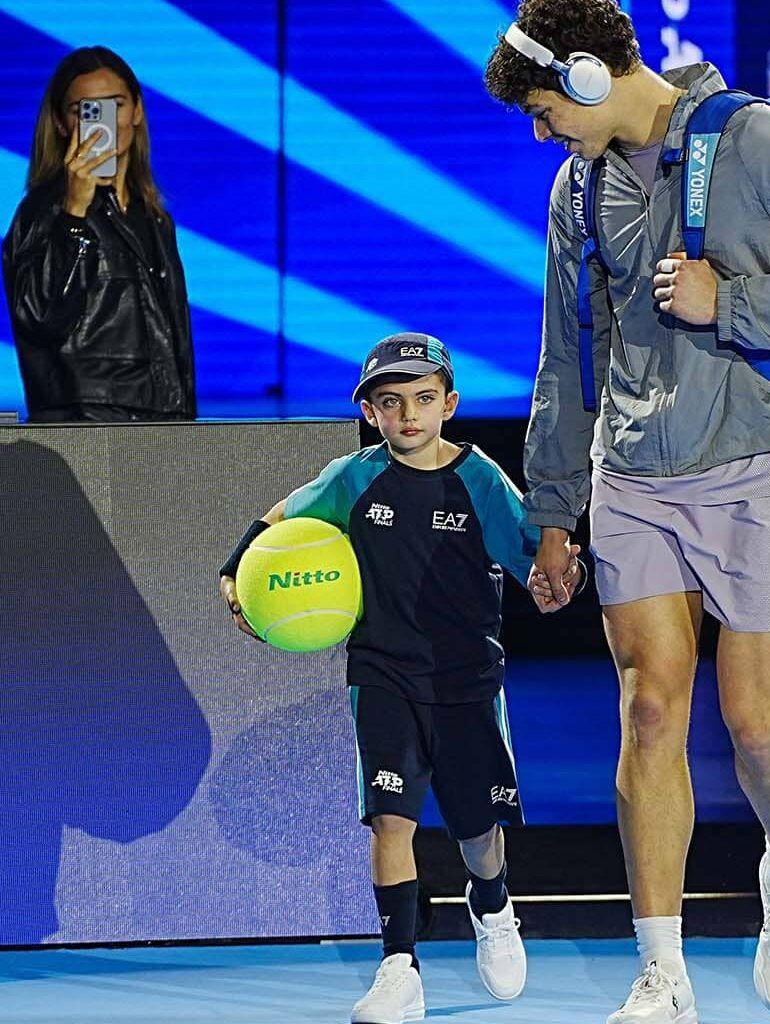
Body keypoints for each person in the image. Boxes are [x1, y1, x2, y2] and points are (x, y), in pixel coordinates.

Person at [485, 2, 770, 1020]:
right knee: (648, 710)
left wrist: (737, 304)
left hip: (763, 468)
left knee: (759, 729)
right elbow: (566, 355)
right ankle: (662, 971)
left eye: (546, 110)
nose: (542, 134)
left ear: (589, 76)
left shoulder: (755, 139)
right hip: (634, 478)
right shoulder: (576, 189)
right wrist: (555, 509)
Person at [218, 333, 584, 1024]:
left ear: (450, 403)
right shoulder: (351, 479)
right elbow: (280, 517)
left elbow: (538, 562)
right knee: (391, 820)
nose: (408, 414)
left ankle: (491, 903)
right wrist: (235, 573)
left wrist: (558, 581)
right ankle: (399, 966)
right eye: (390, 402)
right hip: (381, 673)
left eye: (422, 398)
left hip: (467, 681)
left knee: (477, 833)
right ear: (370, 413)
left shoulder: (480, 480)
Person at [3, 46, 194, 423]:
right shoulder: (44, 210)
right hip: (85, 425)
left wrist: (184, 416)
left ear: (137, 112)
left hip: (163, 422)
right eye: (86, 110)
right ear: (61, 123)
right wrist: (74, 214)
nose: (105, 122)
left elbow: (173, 337)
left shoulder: (154, 217)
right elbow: (40, 318)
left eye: (116, 105)